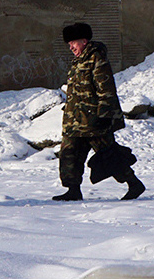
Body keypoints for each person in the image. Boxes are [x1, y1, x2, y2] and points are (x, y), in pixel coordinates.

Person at [53, 22, 144, 201]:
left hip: (94, 121)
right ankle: (73, 190)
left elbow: (106, 90)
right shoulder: (78, 61)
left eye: (74, 43)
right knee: (68, 153)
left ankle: (134, 183)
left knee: (108, 155)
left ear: (84, 41)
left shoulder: (97, 59)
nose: (70, 47)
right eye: (69, 44)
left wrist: (104, 115)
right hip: (76, 121)